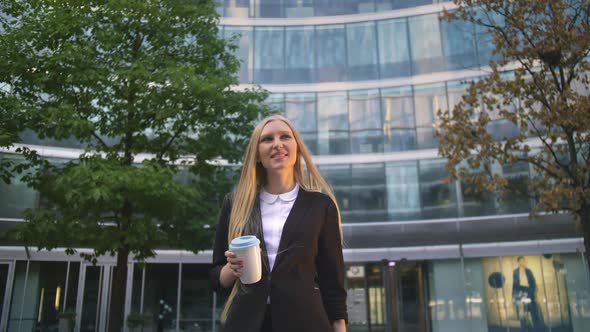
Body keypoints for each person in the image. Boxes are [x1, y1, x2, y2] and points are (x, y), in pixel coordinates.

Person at [210, 115, 348, 332]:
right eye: (267, 139)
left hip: (306, 322)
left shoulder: (321, 206)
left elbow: (333, 281)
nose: (277, 144)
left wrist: (340, 327)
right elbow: (215, 279)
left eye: (285, 136)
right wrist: (231, 269)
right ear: (257, 154)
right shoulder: (235, 204)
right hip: (246, 324)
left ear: (297, 148)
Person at [512, 256, 544, 331]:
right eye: (521, 261)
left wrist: (532, 290)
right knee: (522, 312)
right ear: (518, 262)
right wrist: (513, 295)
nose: (522, 263)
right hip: (520, 292)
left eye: (523, 261)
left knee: (533, 310)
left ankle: (536, 328)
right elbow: (514, 284)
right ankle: (524, 328)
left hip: (529, 291)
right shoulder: (515, 272)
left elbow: (533, 281)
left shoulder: (528, 271)